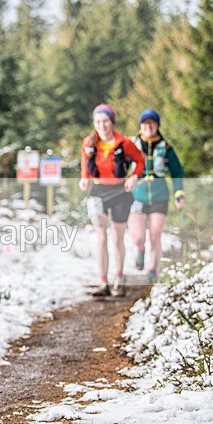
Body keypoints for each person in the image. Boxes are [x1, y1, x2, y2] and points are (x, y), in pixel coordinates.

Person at [79, 104, 145, 297]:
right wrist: (84, 178)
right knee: (101, 237)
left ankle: (119, 278)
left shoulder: (124, 143)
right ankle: (102, 282)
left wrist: (134, 177)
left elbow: (140, 160)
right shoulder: (88, 143)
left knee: (117, 238)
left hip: (120, 192)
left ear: (112, 122)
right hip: (98, 190)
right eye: (98, 121)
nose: (102, 125)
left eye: (105, 121)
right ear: (94, 123)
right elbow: (85, 162)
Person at [128, 109, 185, 284]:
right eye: (145, 123)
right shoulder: (131, 144)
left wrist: (179, 193)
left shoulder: (166, 148)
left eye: (152, 123)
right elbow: (121, 165)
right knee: (137, 236)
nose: (148, 126)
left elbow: (177, 171)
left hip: (160, 196)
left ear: (157, 125)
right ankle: (140, 249)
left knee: (155, 234)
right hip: (137, 195)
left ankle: (152, 269)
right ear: (140, 125)